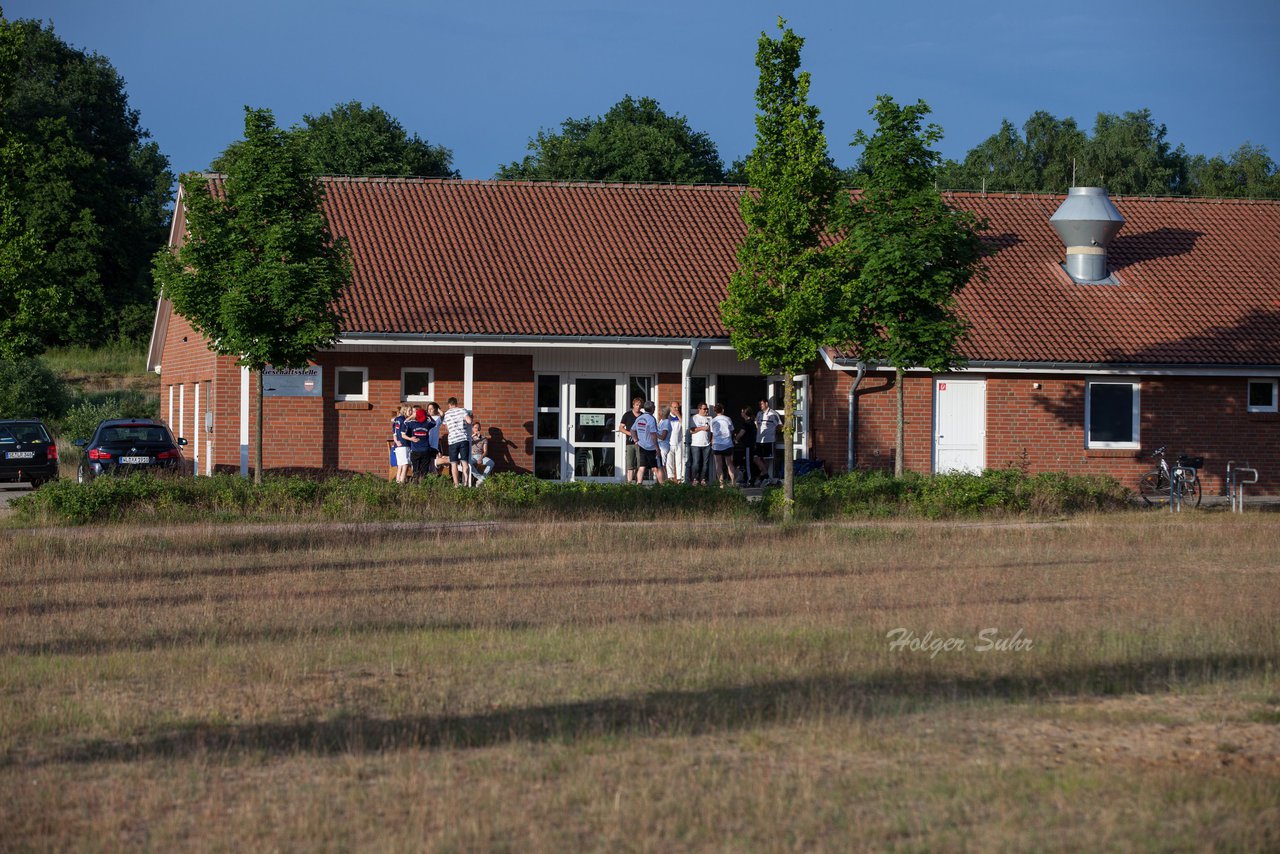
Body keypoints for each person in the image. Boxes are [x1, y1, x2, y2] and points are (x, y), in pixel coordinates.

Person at [441, 397, 473, 486]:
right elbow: (469, 421)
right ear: (456, 403)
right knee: (464, 462)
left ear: (449, 405)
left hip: (452, 441)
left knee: (454, 463)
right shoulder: (462, 410)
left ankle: (456, 484)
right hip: (463, 439)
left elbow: (447, 428)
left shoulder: (446, 414)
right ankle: (465, 483)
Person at [633, 400, 664, 484]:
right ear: (652, 408)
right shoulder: (651, 419)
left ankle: (638, 484)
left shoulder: (639, 418)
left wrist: (636, 440)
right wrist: (657, 448)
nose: (654, 409)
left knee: (642, 466)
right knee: (656, 467)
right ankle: (663, 486)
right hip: (651, 447)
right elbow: (653, 434)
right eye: (654, 407)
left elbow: (632, 430)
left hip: (641, 446)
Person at [754, 397, 782, 486]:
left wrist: (772, 431)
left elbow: (780, 426)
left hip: (769, 440)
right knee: (756, 458)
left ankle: (764, 479)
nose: (760, 406)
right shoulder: (759, 413)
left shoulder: (773, 414)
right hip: (759, 440)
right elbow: (757, 424)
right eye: (759, 404)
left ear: (766, 403)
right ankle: (767, 477)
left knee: (766, 460)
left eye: (761, 404)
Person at [616, 397, 642, 483]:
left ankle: (638, 483)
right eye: (637, 405)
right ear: (633, 405)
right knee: (630, 464)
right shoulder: (627, 415)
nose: (638, 407)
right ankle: (630, 483)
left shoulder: (643, 416)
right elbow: (621, 428)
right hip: (630, 443)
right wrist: (631, 434)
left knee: (640, 464)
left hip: (641, 443)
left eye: (640, 405)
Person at [710, 403, 736, 487]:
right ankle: (733, 482)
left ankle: (721, 484)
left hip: (717, 444)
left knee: (718, 464)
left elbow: (713, 433)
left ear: (715, 411)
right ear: (723, 410)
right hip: (727, 443)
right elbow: (731, 430)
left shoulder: (713, 421)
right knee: (729, 463)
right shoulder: (728, 419)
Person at [406, 406, 435, 482]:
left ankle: (415, 484)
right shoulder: (427, 424)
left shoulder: (412, 424)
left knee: (415, 470)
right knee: (424, 471)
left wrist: (412, 416)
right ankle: (423, 484)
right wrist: (429, 416)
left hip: (415, 451)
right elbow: (434, 422)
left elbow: (405, 422)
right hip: (425, 450)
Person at [689, 403, 712, 486]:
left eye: (707, 409)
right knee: (696, 463)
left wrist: (711, 441)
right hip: (696, 443)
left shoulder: (709, 418)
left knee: (705, 464)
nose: (706, 410)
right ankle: (695, 479)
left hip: (707, 444)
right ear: (699, 409)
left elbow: (712, 431)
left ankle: (703, 479)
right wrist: (702, 428)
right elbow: (691, 430)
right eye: (704, 409)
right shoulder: (694, 418)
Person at [735, 406, 757, 486]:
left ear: (745, 413)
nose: (741, 413)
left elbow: (741, 433)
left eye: (742, 411)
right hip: (750, 445)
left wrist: (736, 439)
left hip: (748, 445)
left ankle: (750, 480)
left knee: (748, 463)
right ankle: (748, 478)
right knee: (749, 462)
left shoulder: (747, 423)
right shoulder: (752, 422)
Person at [391, 405, 412, 484]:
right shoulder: (403, 420)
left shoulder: (397, 419)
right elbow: (397, 432)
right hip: (403, 444)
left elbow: (394, 432)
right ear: (404, 411)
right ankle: (401, 484)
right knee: (405, 465)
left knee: (400, 466)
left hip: (398, 445)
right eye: (409, 411)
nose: (411, 412)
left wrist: (396, 441)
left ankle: (397, 482)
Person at [663, 402, 683, 482]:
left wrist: (678, 415)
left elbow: (684, 425)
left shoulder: (681, 417)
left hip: (679, 442)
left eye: (677, 407)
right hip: (669, 443)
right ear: (671, 408)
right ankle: (670, 479)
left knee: (679, 462)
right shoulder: (666, 418)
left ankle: (679, 479)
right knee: (669, 462)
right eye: (674, 407)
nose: (676, 409)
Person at [470, 421, 494, 485]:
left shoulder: (484, 439)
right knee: (468, 464)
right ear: (472, 429)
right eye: (475, 427)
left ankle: (481, 480)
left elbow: (485, 451)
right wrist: (473, 436)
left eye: (478, 428)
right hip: (471, 456)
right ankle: (481, 478)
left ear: (480, 429)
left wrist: (481, 457)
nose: (476, 429)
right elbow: (466, 445)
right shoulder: (469, 438)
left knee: (491, 463)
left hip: (480, 456)